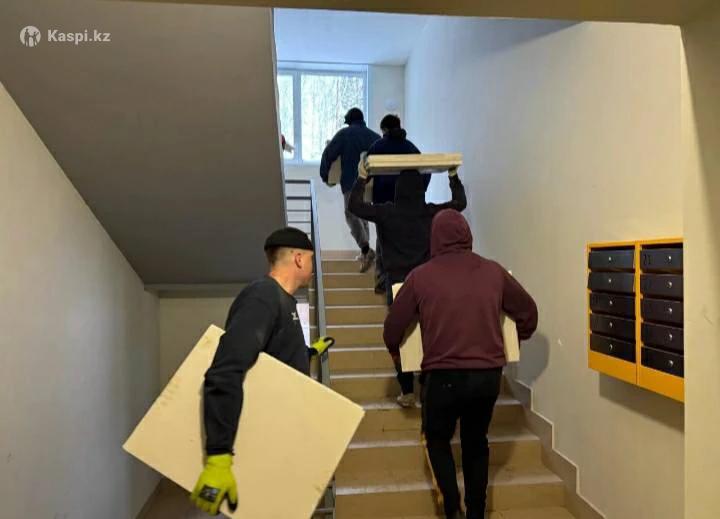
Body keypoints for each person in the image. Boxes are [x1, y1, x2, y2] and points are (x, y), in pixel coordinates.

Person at [383, 210, 538, 519]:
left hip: (442, 376)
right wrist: (513, 340)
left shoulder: (420, 276)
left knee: (437, 439)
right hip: (487, 376)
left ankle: (452, 507)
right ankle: (476, 513)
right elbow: (529, 314)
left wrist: (398, 356)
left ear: (434, 238)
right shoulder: (493, 272)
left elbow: (392, 329)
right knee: (476, 443)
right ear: (468, 235)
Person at [190, 227, 334, 515]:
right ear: (298, 259)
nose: (312, 267)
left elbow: (273, 356)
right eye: (310, 259)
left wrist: (309, 353)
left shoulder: (284, 301)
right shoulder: (263, 297)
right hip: (255, 443)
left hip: (280, 436)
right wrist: (218, 456)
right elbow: (225, 370)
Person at [348, 162, 466, 408]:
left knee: (401, 335)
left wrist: (361, 177)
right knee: (429, 334)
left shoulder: (387, 212)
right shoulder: (430, 212)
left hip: (398, 284)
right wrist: (453, 176)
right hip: (428, 283)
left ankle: (407, 390)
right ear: (421, 190)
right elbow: (459, 204)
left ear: (397, 190)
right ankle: (427, 385)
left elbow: (355, 206)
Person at [365, 114, 430, 293]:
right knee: (408, 240)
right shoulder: (411, 148)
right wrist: (419, 192)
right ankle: (411, 281)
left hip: (384, 203)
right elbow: (425, 170)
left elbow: (366, 171)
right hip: (409, 205)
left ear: (385, 129)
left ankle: (382, 280)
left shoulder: (378, 147)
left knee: (383, 240)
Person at [319, 108, 381, 272]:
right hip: (370, 183)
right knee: (364, 216)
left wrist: (325, 176)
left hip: (351, 182)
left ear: (350, 121)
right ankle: (366, 253)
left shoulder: (345, 134)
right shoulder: (374, 136)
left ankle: (366, 250)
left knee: (351, 214)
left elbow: (329, 153)